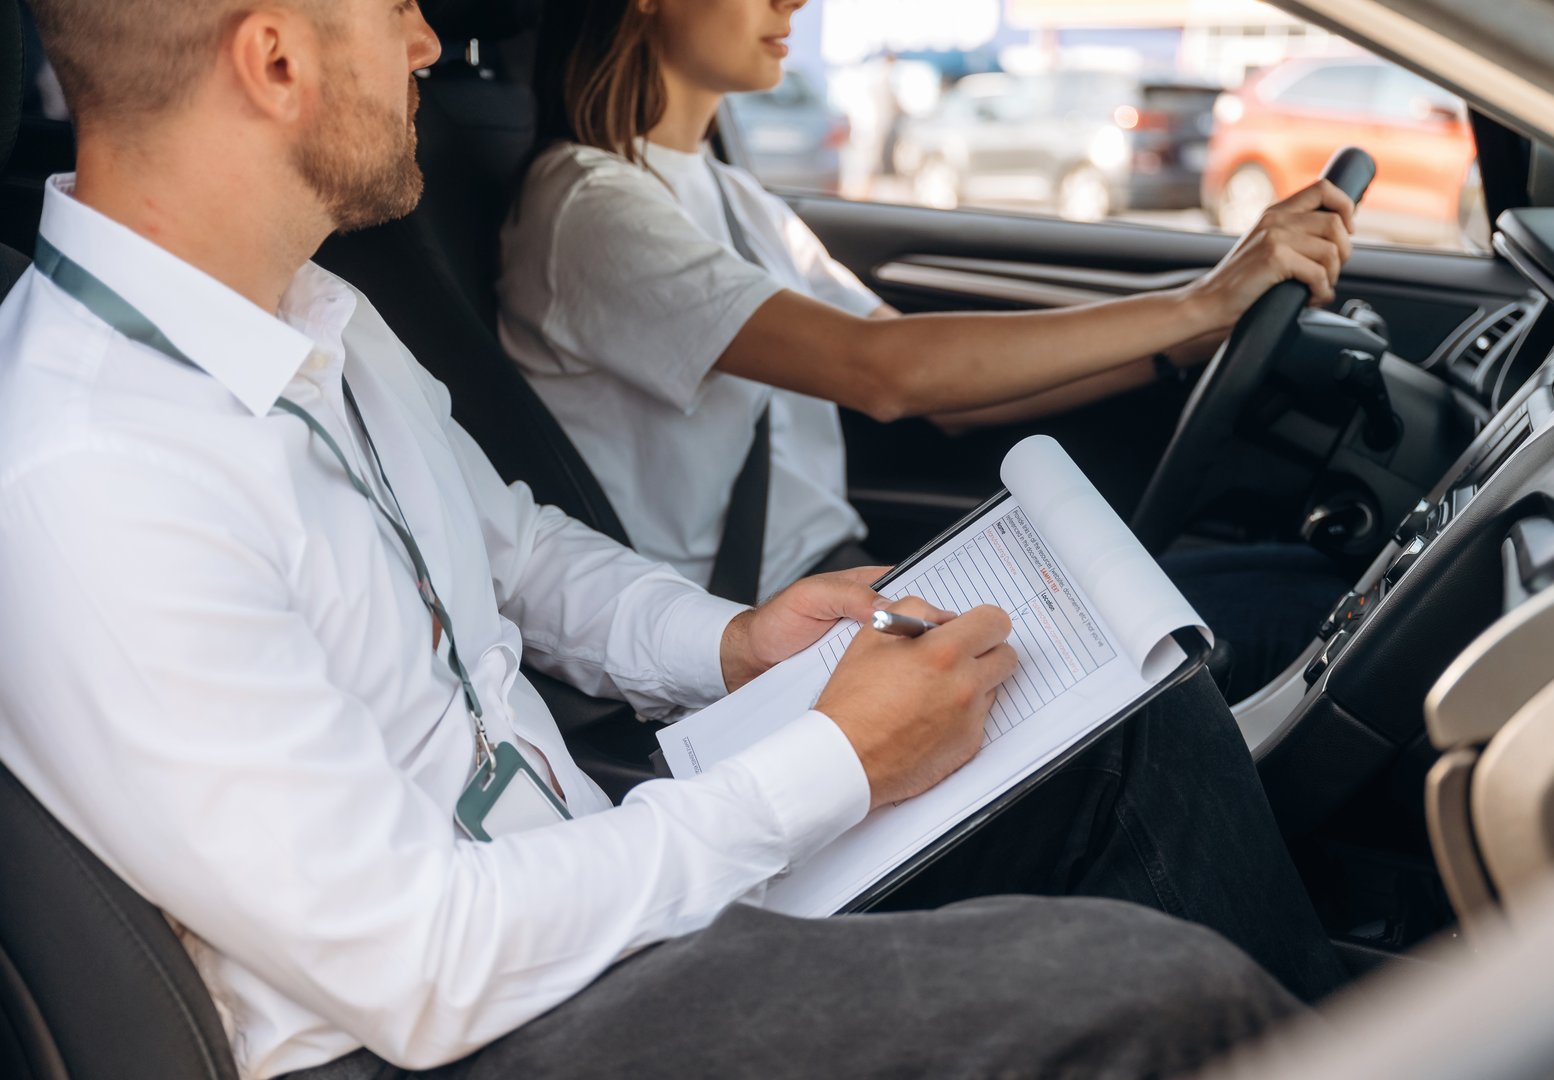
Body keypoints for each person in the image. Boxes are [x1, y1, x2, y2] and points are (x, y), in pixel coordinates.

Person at [0, 1, 1339, 1078]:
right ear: (277, 57)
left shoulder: (317, 318)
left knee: (1128, 733)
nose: (431, 44)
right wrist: (829, 763)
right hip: (468, 1028)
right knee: (1158, 999)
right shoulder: (97, 470)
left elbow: (516, 550)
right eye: (398, 9)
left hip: (582, 886)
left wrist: (736, 643)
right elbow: (423, 964)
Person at [497, 0, 1357, 699]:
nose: (793, 1)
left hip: (848, 585)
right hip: (762, 635)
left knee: (1292, 584)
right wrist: (1201, 299)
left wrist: (1200, 334)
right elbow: (884, 372)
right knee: (1291, 617)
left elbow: (944, 388)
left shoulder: (729, 194)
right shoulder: (587, 207)